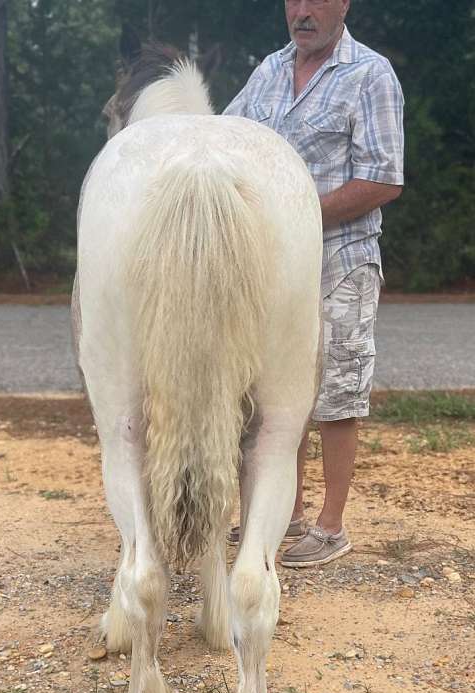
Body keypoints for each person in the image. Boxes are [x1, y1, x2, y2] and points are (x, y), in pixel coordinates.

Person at [224, 0, 404, 567]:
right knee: (279, 390)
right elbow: (225, 136)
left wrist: (294, 212)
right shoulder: (268, 71)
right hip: (276, 267)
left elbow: (382, 179)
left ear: (343, 3)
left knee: (337, 396)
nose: (303, 11)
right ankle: (289, 510)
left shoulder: (369, 74)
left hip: (340, 260)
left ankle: (331, 527)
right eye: (293, 0)